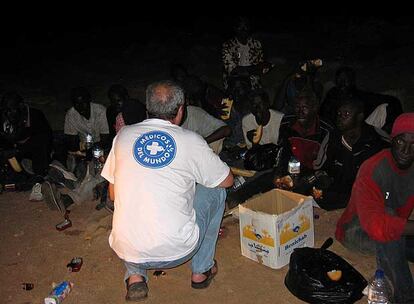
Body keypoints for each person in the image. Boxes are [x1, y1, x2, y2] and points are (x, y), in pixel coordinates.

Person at [101, 80, 233, 301]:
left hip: (129, 251)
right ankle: (201, 270)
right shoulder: (191, 140)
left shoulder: (123, 136)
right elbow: (227, 180)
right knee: (216, 190)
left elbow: (113, 196)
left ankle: (135, 277)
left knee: (131, 196)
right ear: (181, 110)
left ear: (147, 108)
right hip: (178, 251)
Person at [335, 113, 414, 303]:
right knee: (388, 224)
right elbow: (376, 226)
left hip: (395, 227)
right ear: (392, 140)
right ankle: (405, 297)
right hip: (356, 229)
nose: (406, 149)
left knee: (394, 228)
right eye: (401, 141)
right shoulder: (372, 168)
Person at [315, 96, 389, 210]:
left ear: (359, 117)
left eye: (346, 114)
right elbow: (321, 166)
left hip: (364, 195)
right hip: (338, 192)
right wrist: (323, 176)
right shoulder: (333, 137)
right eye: (339, 114)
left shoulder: (374, 140)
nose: (340, 118)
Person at [321, 66, 403, 133]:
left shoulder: (359, 96)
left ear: (352, 81)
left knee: (387, 106)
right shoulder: (332, 94)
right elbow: (322, 114)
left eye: (346, 79)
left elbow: (390, 100)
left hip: (358, 131)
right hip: (335, 130)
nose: (342, 83)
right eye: (339, 79)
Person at [0, 91, 52, 182]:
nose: (8, 113)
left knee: (41, 145)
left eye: (12, 110)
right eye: (6, 110)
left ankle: (40, 175)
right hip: (13, 151)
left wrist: (17, 150)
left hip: (31, 150)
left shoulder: (35, 116)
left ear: (21, 107)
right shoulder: (4, 117)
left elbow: (45, 138)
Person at [222, 17, 271, 90]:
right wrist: (255, 68)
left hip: (253, 81)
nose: (243, 30)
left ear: (249, 28)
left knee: (262, 99)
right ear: (235, 29)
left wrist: (264, 67)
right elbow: (232, 70)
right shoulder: (228, 45)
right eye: (240, 27)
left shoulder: (256, 44)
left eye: (246, 27)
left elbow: (262, 67)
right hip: (234, 81)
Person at [64, 86, 110, 156]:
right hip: (83, 149)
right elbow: (71, 142)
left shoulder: (100, 111)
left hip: (101, 149)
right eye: (77, 103)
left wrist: (86, 149)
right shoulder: (71, 114)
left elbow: (105, 140)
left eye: (83, 102)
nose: (80, 106)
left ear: (89, 100)